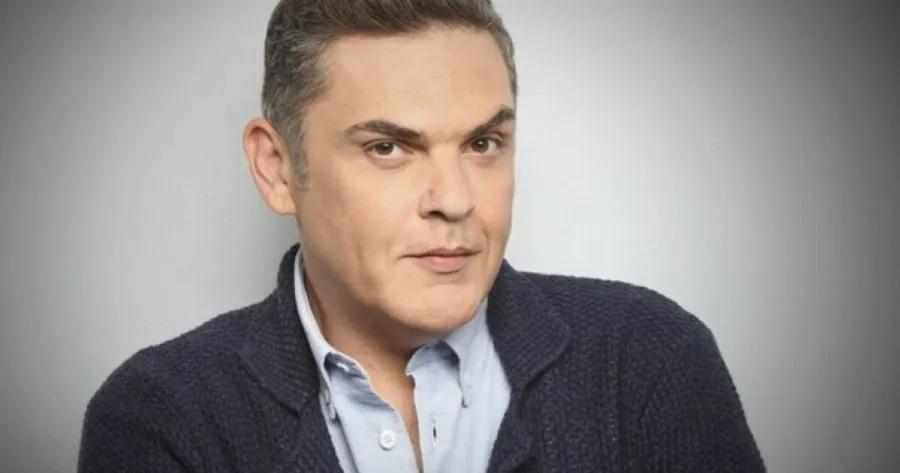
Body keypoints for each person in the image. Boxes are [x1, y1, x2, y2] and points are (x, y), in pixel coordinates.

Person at [77, 1, 765, 472]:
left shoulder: (646, 358)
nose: (455, 200)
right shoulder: (162, 413)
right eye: (388, 148)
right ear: (278, 168)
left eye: (483, 143)